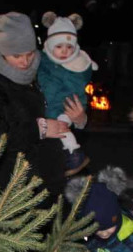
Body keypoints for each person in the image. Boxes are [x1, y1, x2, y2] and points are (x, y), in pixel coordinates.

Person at [0, 12, 86, 202]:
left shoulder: (39, 70)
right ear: (2, 51)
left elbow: (57, 106)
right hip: (11, 190)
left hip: (47, 182)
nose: (25, 62)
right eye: (16, 55)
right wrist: (39, 128)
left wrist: (79, 118)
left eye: (30, 53)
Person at [37, 12, 97, 177]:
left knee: (63, 127)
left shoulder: (76, 67)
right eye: (59, 46)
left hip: (62, 111)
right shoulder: (39, 63)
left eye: (69, 47)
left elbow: (77, 97)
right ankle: (73, 154)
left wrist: (81, 119)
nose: (64, 51)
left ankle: (74, 154)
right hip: (39, 139)